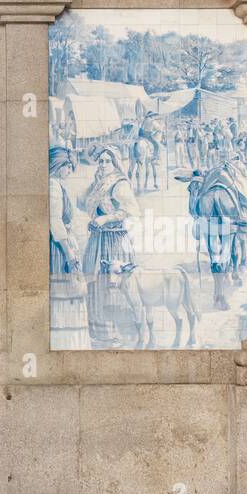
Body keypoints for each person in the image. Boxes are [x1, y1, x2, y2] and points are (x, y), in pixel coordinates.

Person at [79, 146, 141, 348]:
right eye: (101, 161)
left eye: (108, 161)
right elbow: (82, 202)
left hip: (114, 240)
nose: (104, 164)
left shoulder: (120, 184)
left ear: (115, 163)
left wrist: (105, 218)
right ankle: (100, 333)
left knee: (113, 284)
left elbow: (130, 210)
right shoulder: (98, 183)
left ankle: (119, 334)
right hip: (98, 240)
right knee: (95, 281)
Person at [49, 146, 89, 349]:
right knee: (66, 292)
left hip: (65, 242)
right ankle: (67, 341)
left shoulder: (59, 185)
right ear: (60, 165)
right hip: (60, 247)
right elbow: (55, 222)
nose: (70, 172)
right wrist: (69, 255)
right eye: (68, 167)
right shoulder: (54, 185)